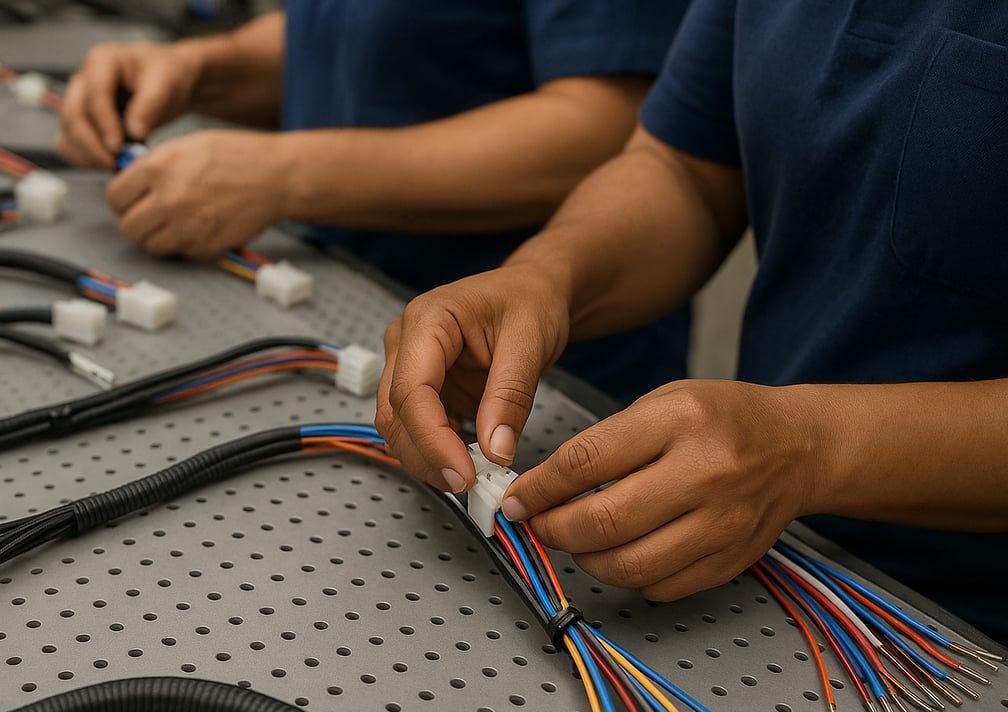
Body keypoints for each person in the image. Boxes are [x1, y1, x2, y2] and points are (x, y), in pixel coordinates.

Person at [374, 1, 1008, 643]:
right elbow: (685, 170)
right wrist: (546, 275)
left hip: (967, 631)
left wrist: (810, 449)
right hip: (767, 562)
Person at [56, 1, 692, 405]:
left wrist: (285, 174)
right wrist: (198, 70)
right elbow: (359, 38)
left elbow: (617, 126)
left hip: (534, 386)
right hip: (335, 313)